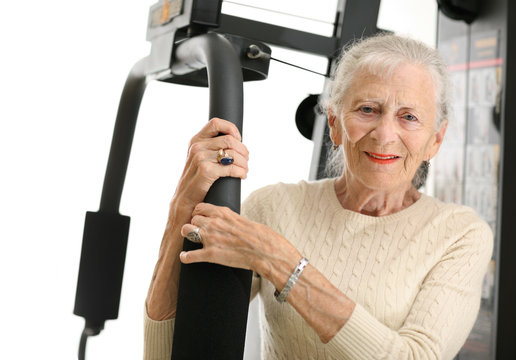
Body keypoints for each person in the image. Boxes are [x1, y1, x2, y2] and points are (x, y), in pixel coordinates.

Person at [143, 34, 493, 359]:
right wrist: (181, 209)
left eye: (409, 117)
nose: (385, 135)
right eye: (368, 109)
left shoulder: (459, 235)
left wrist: (281, 261)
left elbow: (416, 357)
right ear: (334, 124)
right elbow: (174, 350)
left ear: (436, 139)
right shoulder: (273, 208)